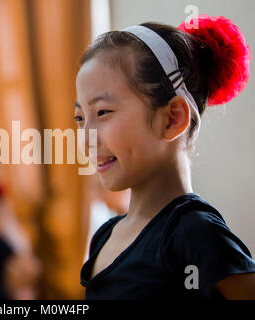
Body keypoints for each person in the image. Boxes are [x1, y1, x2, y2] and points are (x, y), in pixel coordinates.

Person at [75, 15, 255, 299]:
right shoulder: (105, 235)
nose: (85, 137)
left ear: (173, 118)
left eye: (102, 112)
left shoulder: (194, 232)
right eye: (79, 118)